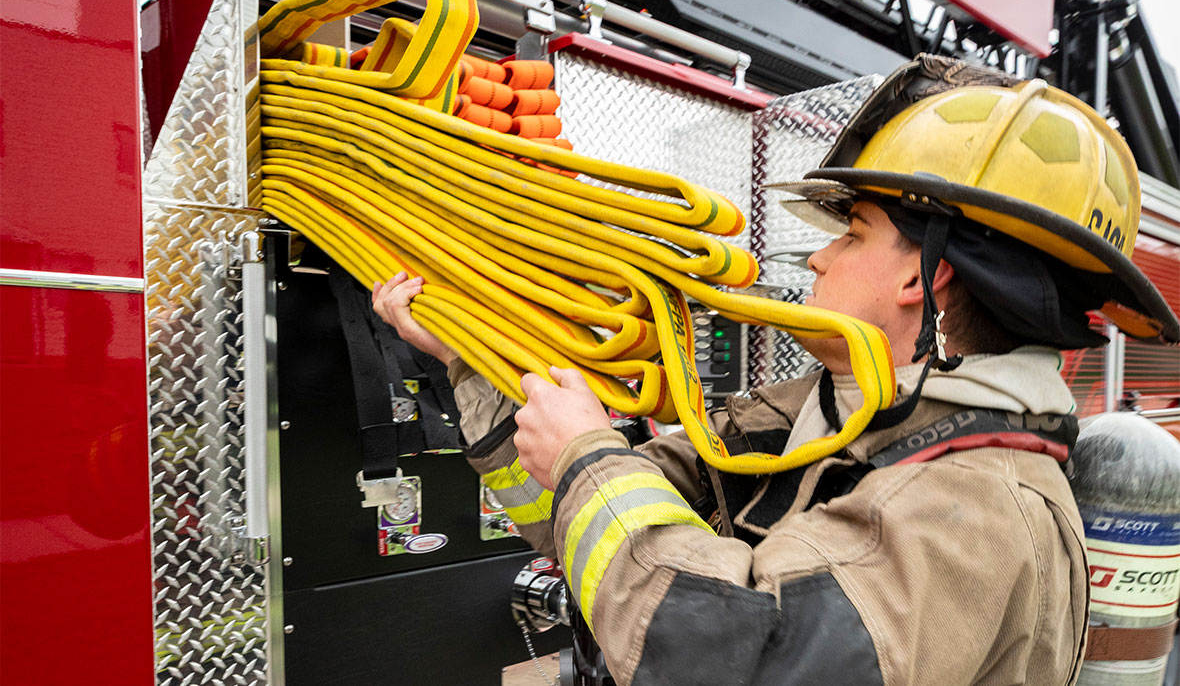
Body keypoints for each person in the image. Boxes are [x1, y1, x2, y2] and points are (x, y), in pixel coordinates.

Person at [372, 55, 1180, 686]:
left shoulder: (978, 506)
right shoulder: (810, 419)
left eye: (852, 231)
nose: (819, 256)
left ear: (922, 277)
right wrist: (469, 360)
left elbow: (747, 656)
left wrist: (590, 455)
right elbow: (580, 518)